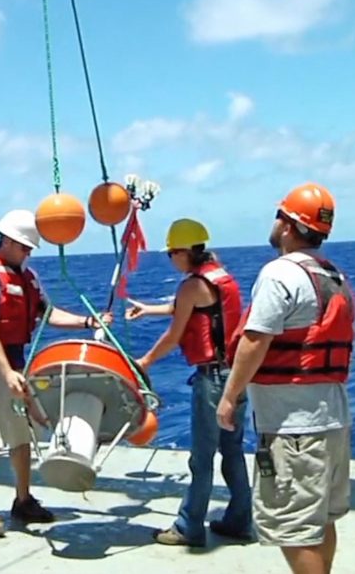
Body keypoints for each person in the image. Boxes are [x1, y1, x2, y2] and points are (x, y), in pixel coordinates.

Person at [218, 183, 355, 574]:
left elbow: (255, 339)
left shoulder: (279, 273)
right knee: (320, 520)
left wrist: (229, 396)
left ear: (289, 225)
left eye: (279, 216)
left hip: (295, 428)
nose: (275, 223)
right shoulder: (332, 274)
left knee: (294, 530)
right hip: (334, 421)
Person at [0, 209, 113, 538]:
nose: (28, 254)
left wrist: (88, 322)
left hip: (18, 365)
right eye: (24, 247)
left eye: (30, 249)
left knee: (22, 436)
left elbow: (49, 314)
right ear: (6, 241)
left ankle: (23, 499)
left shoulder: (28, 278)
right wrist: (6, 372)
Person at [127, 218, 252, 546]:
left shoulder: (192, 285)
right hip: (236, 375)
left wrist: (145, 362)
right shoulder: (221, 276)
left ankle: (189, 527)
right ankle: (240, 520)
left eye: (172, 253)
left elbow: (174, 334)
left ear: (184, 252)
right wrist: (149, 310)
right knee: (233, 451)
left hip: (212, 381)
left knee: (201, 457)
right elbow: (195, 309)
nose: (171, 259)